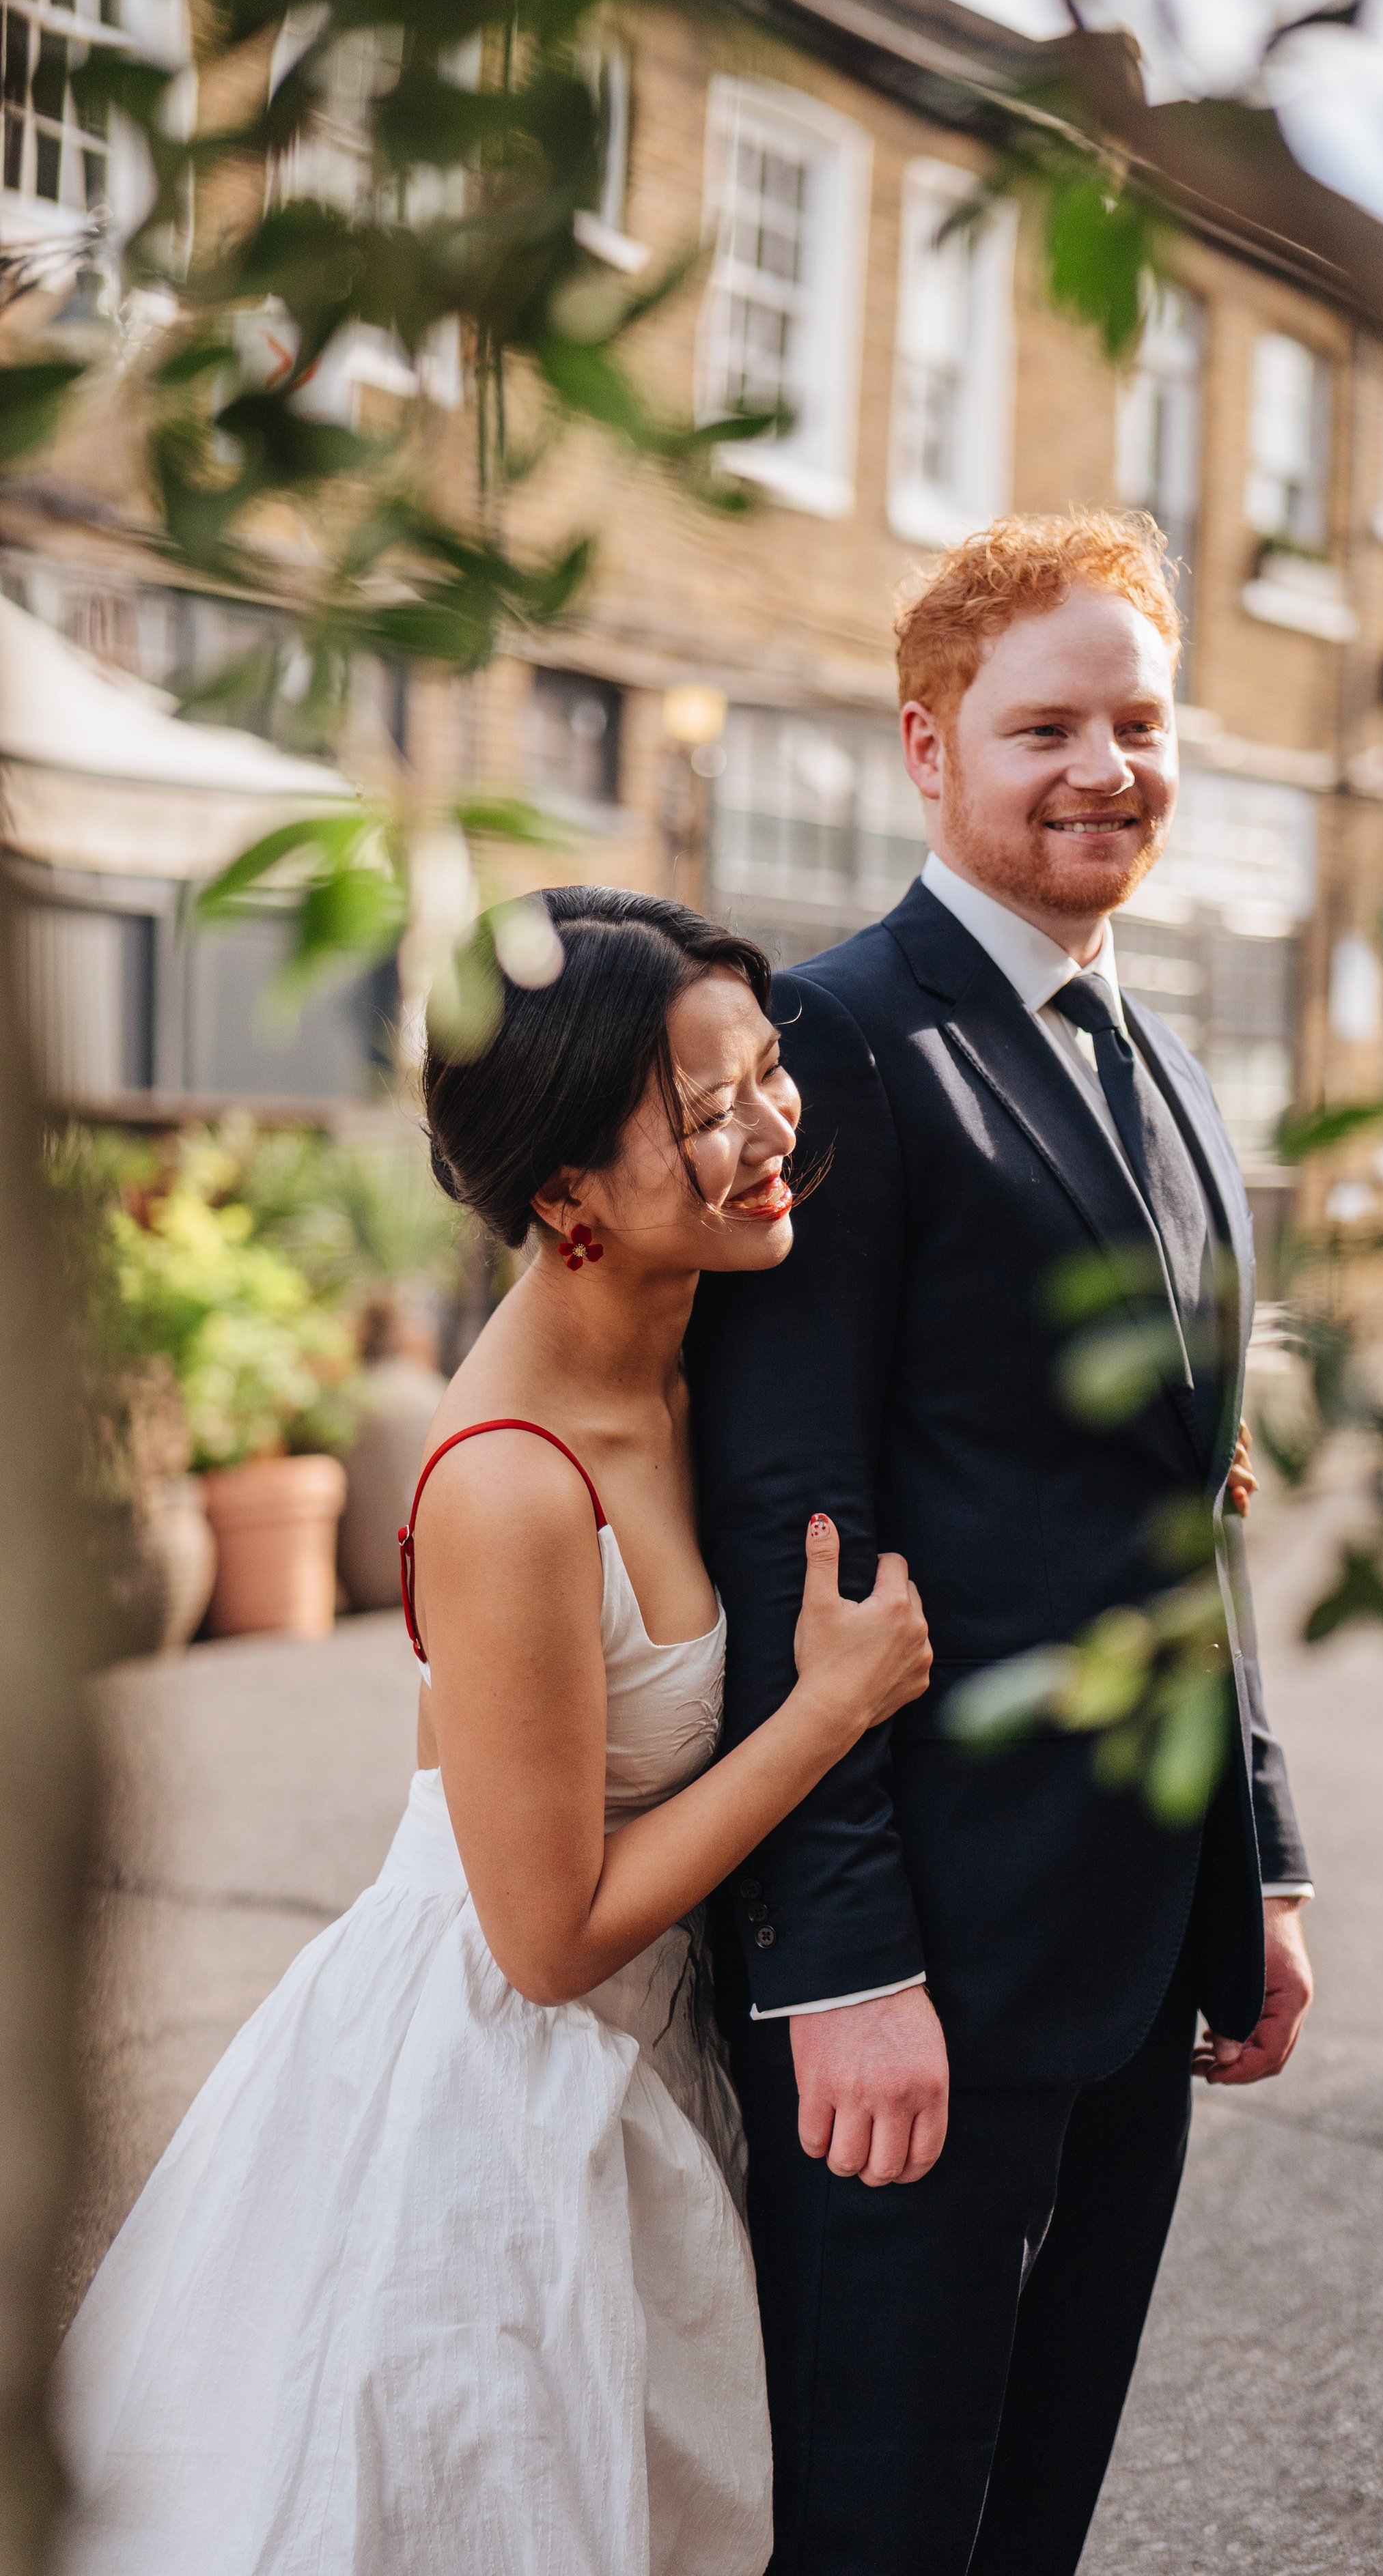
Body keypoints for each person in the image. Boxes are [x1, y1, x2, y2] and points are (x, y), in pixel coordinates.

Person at [55, 888, 932, 2576]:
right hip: (495, 2089)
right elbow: (546, 1937)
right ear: (561, 1194)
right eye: (702, 1114)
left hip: (653, 2044)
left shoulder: (707, 1338)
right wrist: (822, 1713)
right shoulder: (514, 1481)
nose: (766, 1132)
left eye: (765, 1071)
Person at [686, 514, 1315, 2576]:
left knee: (1031, 2513)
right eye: (1045, 725)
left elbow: (1191, 1503)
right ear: (926, 749)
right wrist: (842, 1961)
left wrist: (1265, 1851)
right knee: (880, 2524)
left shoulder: (1181, 1078)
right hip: (925, 1969)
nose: (1103, 767)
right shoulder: (844, 1044)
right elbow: (794, 1518)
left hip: (1141, 1952)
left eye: (1137, 723)